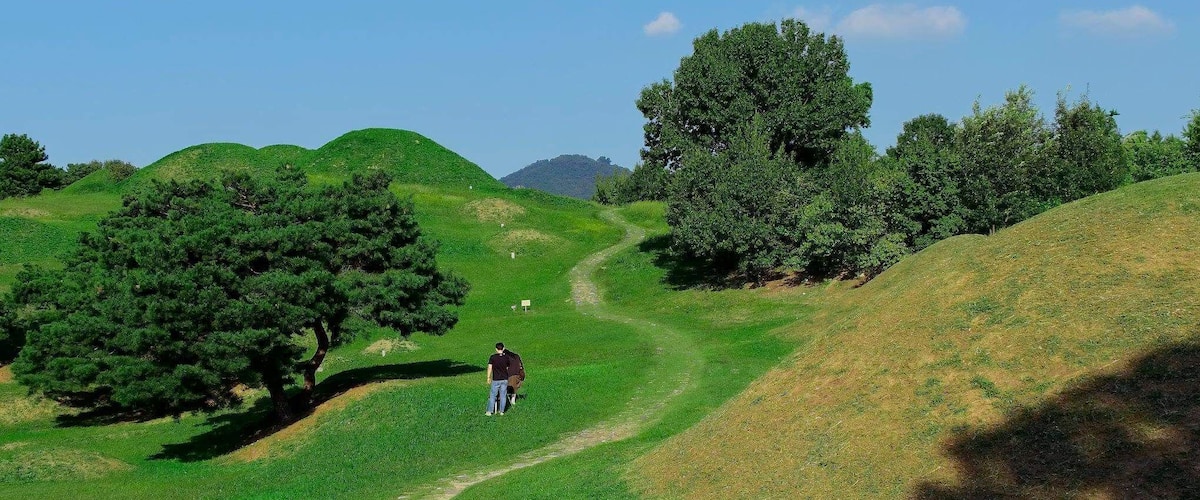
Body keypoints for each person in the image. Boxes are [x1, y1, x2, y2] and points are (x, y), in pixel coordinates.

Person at [485, 342, 511, 416]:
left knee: (493, 395)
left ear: (496, 349)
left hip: (496, 379)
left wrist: (488, 377)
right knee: (503, 396)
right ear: (503, 348)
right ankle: (502, 411)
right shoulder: (506, 357)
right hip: (504, 379)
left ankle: (490, 411)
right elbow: (507, 367)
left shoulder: (493, 357)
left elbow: (490, 368)